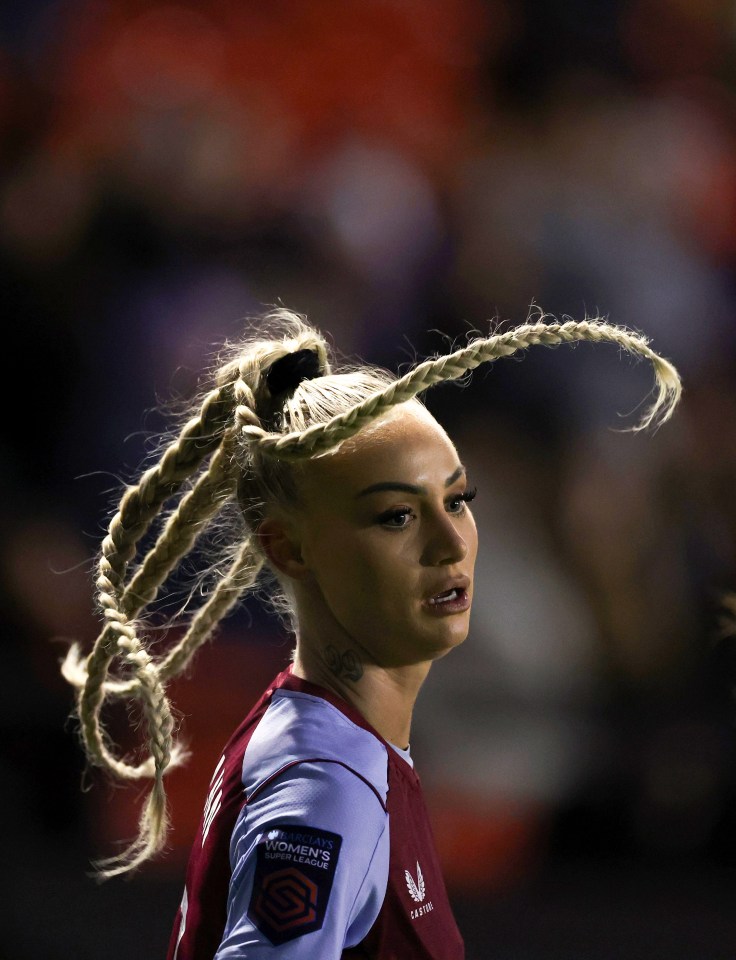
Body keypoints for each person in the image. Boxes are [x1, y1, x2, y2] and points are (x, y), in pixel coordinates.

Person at [61, 307, 681, 958]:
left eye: (457, 499)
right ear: (292, 550)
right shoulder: (324, 786)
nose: (449, 543)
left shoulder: (348, 750)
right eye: (394, 516)